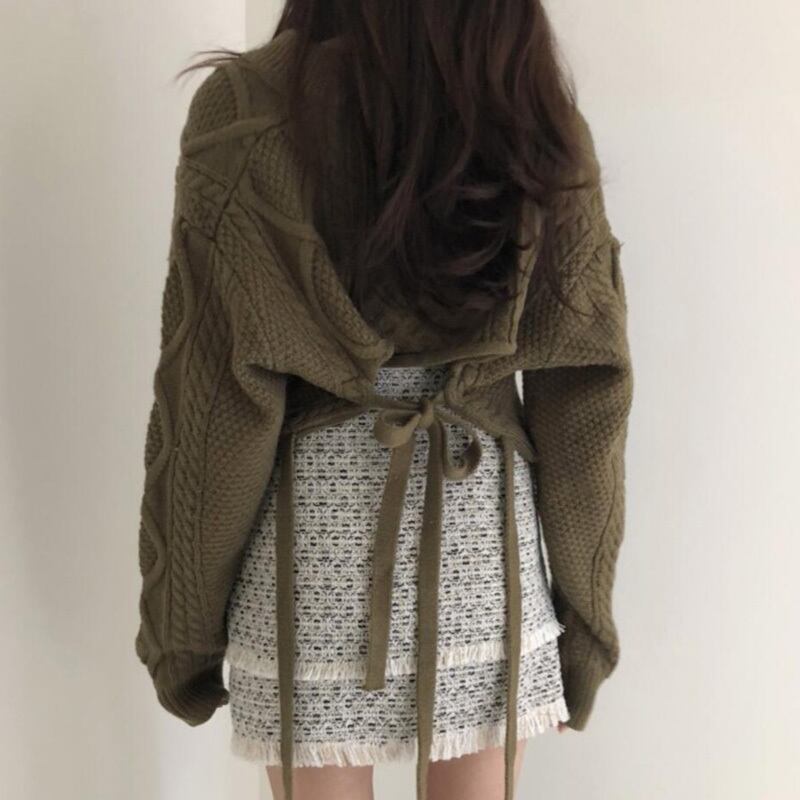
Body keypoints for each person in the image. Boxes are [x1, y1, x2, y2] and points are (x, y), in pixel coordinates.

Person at [133, 4, 634, 800]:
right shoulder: (531, 111)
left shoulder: (246, 112)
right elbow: (583, 399)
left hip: (307, 565)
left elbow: (214, 403)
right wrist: (587, 625)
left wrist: (181, 631)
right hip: (484, 555)